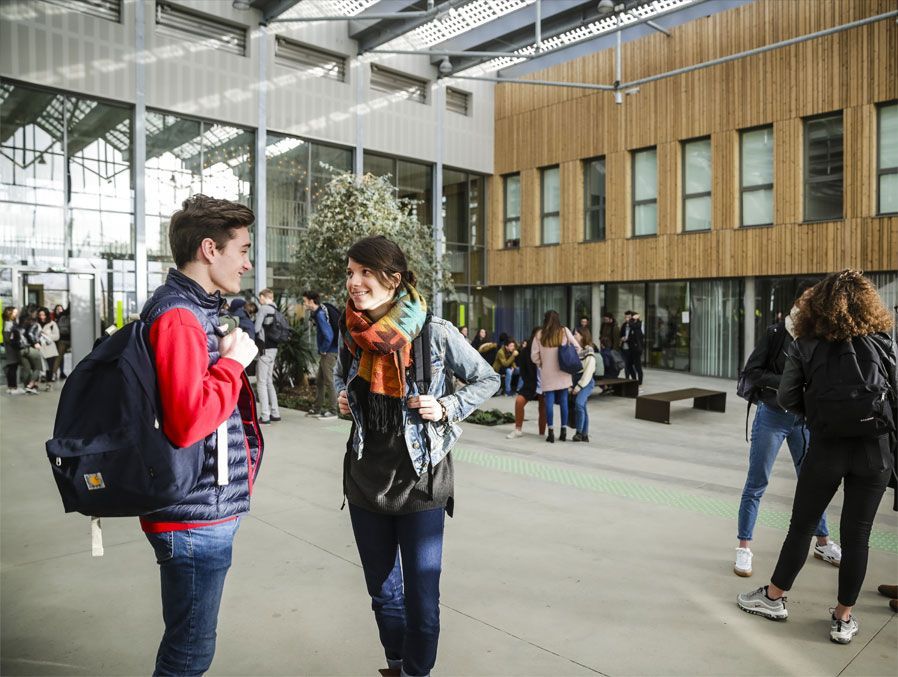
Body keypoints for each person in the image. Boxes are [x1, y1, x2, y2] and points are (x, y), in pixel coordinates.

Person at [334, 235, 498, 677]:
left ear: (394, 277)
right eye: (351, 272)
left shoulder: (436, 333)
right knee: (384, 595)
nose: (355, 281)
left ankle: (416, 672)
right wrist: (342, 399)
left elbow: (488, 378)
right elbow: (339, 378)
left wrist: (447, 406)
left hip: (421, 483)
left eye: (365, 272)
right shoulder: (351, 333)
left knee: (422, 602)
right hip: (367, 481)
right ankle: (396, 663)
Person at [738, 270, 897, 645]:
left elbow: (786, 399)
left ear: (819, 305)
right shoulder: (884, 342)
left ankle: (774, 598)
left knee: (802, 525)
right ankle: (843, 618)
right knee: (858, 535)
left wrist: (819, 409)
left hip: (826, 447)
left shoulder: (807, 344)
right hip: (874, 452)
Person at [138, 194, 262, 675]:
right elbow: (188, 421)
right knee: (189, 654)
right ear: (210, 249)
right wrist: (233, 361)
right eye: (243, 249)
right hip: (193, 518)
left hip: (200, 510)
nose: (247, 263)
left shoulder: (196, 310)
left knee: (190, 646)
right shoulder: (180, 317)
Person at [734, 288, 840, 578]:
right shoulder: (775, 333)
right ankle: (744, 546)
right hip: (771, 416)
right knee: (757, 482)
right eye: (807, 301)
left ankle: (822, 541)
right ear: (797, 303)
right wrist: (788, 382)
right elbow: (752, 372)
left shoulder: (818, 337)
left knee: (812, 482)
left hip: (802, 421)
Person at [531, 310, 580, 443]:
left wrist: (542, 364)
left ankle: (551, 432)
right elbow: (577, 347)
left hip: (547, 372)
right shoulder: (564, 331)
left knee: (549, 401)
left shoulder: (539, 334)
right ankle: (563, 431)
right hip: (563, 371)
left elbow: (534, 356)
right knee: (564, 400)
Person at [303, 290, 339, 419]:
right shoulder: (319, 312)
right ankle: (317, 408)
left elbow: (328, 335)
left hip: (329, 352)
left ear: (311, 301)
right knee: (320, 381)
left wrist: (323, 349)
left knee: (329, 381)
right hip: (329, 351)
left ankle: (333, 411)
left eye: (305, 301)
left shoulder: (320, 314)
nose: (304, 303)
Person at [506, 327, 546, 439]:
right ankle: (518, 429)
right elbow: (523, 370)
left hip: (545, 383)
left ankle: (542, 434)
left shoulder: (547, 349)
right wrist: (529, 382)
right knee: (519, 401)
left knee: (543, 408)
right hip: (530, 383)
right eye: (538, 336)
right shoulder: (526, 351)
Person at [254, 288, 282, 424]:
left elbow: (256, 328)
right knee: (269, 381)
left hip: (264, 350)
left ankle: (265, 416)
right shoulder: (276, 310)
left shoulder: (264, 309)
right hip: (274, 350)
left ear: (264, 297)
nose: (260, 301)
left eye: (260, 298)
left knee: (261, 382)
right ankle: (275, 413)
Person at [571, 327, 600, 442]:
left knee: (579, 404)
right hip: (576, 380)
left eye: (576, 334)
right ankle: (585, 434)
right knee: (582, 406)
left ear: (582, 335)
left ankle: (578, 432)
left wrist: (579, 386)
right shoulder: (574, 349)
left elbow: (588, 371)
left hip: (586, 381)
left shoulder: (589, 350)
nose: (574, 336)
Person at [18, 308, 43, 394]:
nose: (37, 313)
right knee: (38, 368)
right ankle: (30, 385)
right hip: (30, 348)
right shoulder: (33, 322)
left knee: (27, 369)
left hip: (21, 349)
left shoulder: (20, 323)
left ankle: (26, 387)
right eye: (36, 312)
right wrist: (36, 342)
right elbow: (30, 333)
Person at [2, 306, 24, 395]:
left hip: (11, 348)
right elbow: (7, 338)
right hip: (12, 349)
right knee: (12, 368)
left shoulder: (9, 323)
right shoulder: (9, 324)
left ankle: (11, 387)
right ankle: (13, 387)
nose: (16, 314)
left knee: (12, 368)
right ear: (10, 313)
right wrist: (16, 343)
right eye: (15, 312)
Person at [620, 310, 644, 385]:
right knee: (628, 365)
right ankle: (634, 379)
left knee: (637, 366)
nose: (627, 319)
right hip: (629, 348)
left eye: (629, 317)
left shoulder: (638, 324)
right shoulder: (626, 325)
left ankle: (639, 381)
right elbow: (621, 334)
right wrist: (623, 338)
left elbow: (635, 330)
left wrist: (631, 320)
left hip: (636, 348)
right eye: (626, 317)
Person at [36, 307, 60, 382]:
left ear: (47, 315)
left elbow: (57, 337)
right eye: (40, 315)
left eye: (43, 315)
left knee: (50, 368)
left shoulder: (52, 324)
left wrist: (47, 335)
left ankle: (49, 384)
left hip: (50, 349)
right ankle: (41, 380)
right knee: (42, 367)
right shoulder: (36, 324)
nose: (42, 317)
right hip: (40, 348)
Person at [52, 303, 70, 379]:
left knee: (60, 357)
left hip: (62, 339)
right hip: (62, 339)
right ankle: (55, 373)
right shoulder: (60, 317)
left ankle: (58, 373)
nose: (59, 311)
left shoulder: (60, 317)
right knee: (59, 357)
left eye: (60, 309)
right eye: (58, 309)